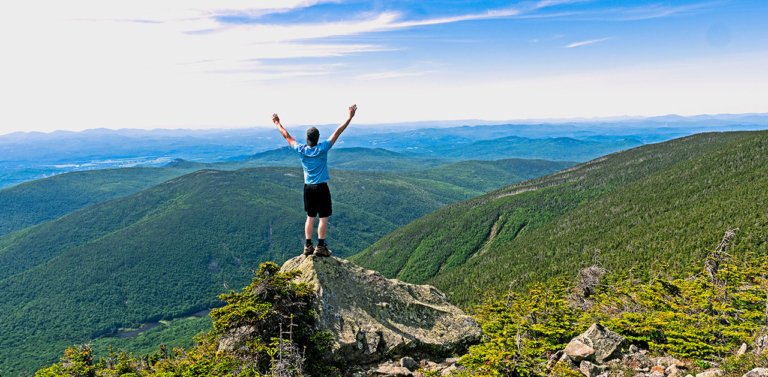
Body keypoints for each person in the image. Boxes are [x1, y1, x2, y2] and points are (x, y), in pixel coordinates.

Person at [272, 104, 357, 257]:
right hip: (321, 187)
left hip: (308, 188)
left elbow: (287, 136)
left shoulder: (301, 149)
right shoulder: (323, 148)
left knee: (310, 217)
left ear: (307, 139)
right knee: (323, 217)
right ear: (317, 139)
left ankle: (308, 245)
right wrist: (349, 117)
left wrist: (277, 122)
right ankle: (321, 246)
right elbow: (338, 132)